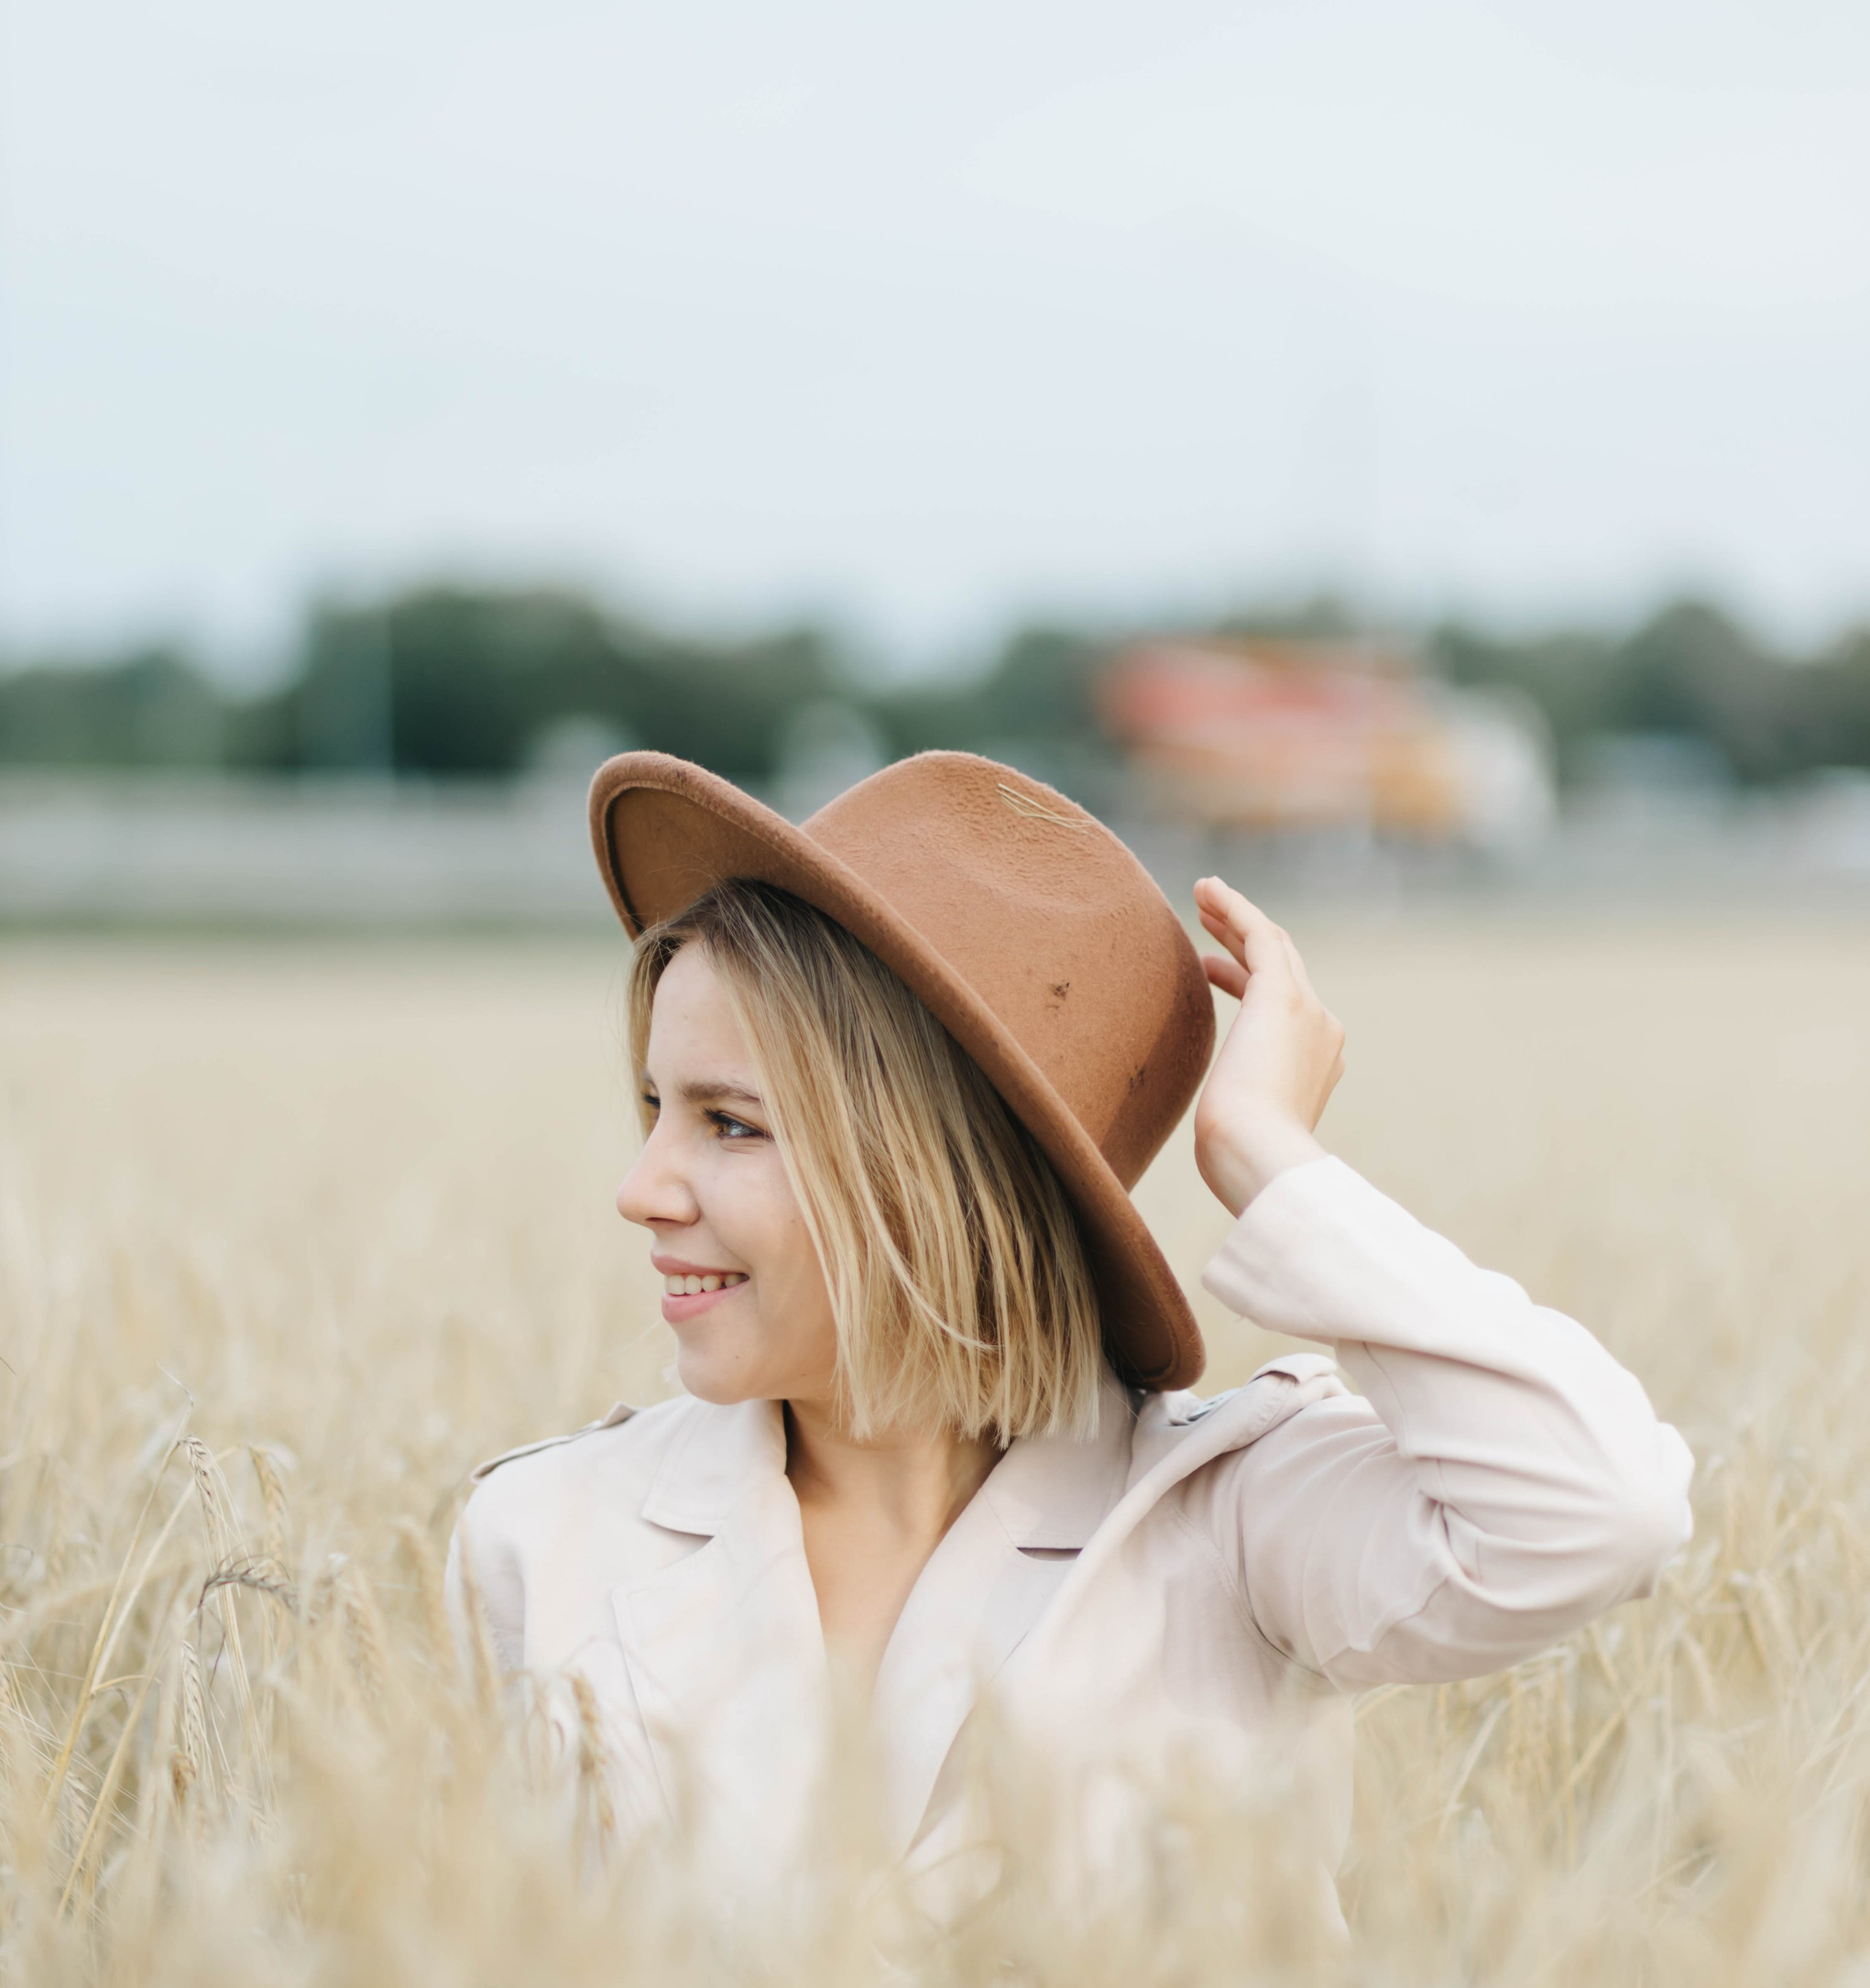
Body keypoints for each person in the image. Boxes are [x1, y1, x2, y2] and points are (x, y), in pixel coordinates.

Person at [446, 749, 1692, 1912]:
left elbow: (1598, 1508)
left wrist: (1268, 1155)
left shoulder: (1231, 1524)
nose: (641, 1188)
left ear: (937, 1175)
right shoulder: (539, 1542)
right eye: (656, 1106)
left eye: (730, 1124)